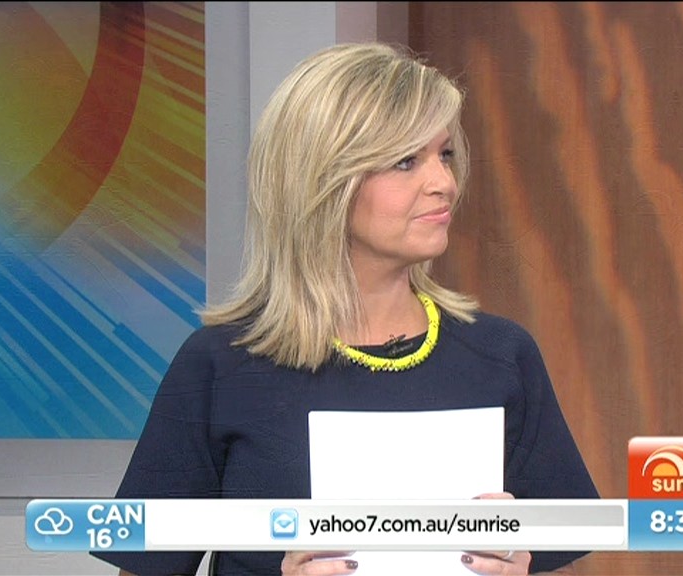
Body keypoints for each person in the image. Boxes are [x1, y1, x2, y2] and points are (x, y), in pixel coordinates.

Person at [92, 41, 598, 576]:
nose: (444, 183)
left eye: (444, 154)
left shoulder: (503, 356)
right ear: (324, 180)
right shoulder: (221, 366)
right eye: (406, 161)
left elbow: (562, 560)